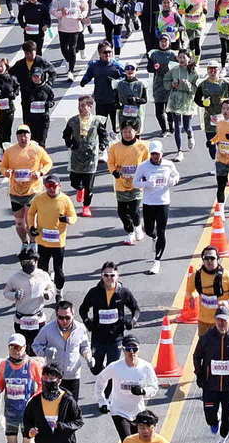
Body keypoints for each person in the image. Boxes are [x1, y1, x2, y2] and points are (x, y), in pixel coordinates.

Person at [192, 308, 229, 439]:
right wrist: (199, 374)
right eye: (218, 320)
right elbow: (196, 356)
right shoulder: (206, 338)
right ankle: (214, 421)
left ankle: (223, 435)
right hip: (210, 386)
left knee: (227, 420)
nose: (221, 323)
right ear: (215, 321)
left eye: (224, 320)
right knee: (210, 417)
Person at [92, 336, 158, 441]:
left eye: (134, 349)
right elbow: (100, 381)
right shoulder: (115, 367)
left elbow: (154, 387)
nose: (132, 352)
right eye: (128, 349)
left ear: (139, 349)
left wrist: (143, 391)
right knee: (127, 440)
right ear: (123, 350)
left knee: (140, 440)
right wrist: (102, 401)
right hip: (119, 411)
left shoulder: (146, 367)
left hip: (138, 412)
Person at [78, 262, 139, 374]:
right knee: (95, 370)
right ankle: (103, 372)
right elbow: (82, 309)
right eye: (106, 275)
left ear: (117, 276)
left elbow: (136, 309)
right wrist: (88, 323)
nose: (109, 278)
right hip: (98, 337)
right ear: (101, 276)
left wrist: (132, 322)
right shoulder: (94, 292)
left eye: (112, 275)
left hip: (116, 338)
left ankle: (107, 388)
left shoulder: (123, 292)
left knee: (112, 370)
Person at [131, 141, 180, 272]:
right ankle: (153, 237)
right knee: (148, 230)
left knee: (162, 231)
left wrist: (173, 181)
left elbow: (176, 176)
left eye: (157, 154)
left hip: (163, 202)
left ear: (161, 153)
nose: (155, 157)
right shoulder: (143, 166)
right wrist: (146, 183)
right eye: (153, 154)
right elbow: (135, 182)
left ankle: (157, 261)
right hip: (148, 203)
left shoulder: (168, 165)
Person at [32, 301, 93, 401]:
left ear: (73, 314)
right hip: (53, 376)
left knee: (71, 407)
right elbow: (35, 345)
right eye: (60, 318)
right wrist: (45, 352)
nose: (64, 321)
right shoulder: (48, 329)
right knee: (53, 407)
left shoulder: (80, 328)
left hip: (72, 375)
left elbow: (84, 346)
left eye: (67, 317)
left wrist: (88, 356)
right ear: (56, 315)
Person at [0, 335, 43, 443]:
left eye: (18, 347)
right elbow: (1, 382)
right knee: (11, 441)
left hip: (28, 413)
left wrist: (34, 399)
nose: (15, 350)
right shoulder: (4, 365)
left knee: (28, 441)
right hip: (11, 412)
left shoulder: (32, 364)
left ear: (25, 347)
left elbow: (41, 385)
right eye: (12, 347)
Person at [20, 364, 82, 443]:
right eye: (45, 378)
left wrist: (61, 426)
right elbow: (27, 420)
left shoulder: (68, 400)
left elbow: (78, 421)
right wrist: (30, 431)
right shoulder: (35, 401)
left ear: (59, 380)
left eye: (51, 378)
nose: (48, 381)